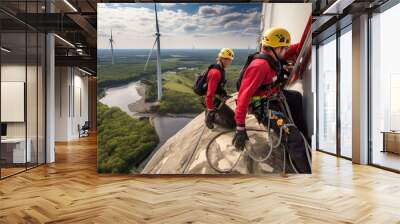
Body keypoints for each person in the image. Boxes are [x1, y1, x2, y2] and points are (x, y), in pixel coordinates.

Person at [232, 27, 311, 173]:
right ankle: (306, 173)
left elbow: (296, 48)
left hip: (271, 97)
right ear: (278, 48)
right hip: (263, 108)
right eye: (284, 48)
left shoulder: (273, 54)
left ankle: (302, 135)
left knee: (295, 97)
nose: (286, 51)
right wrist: (240, 128)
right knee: (294, 139)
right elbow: (243, 97)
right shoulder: (259, 66)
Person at [204, 48, 236, 130]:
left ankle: (212, 113)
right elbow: (209, 94)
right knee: (233, 124)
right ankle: (213, 118)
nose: (230, 62)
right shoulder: (215, 73)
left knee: (234, 118)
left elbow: (218, 87)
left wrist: (223, 94)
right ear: (221, 59)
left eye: (230, 59)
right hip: (213, 101)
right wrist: (210, 112)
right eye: (228, 59)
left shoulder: (220, 70)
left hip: (216, 99)